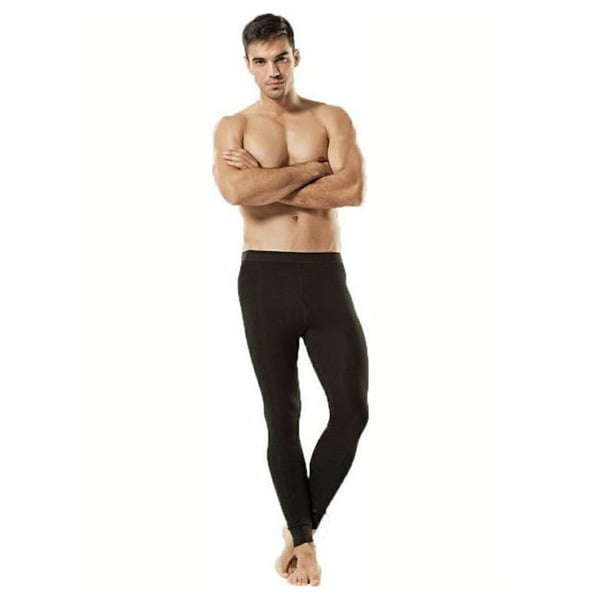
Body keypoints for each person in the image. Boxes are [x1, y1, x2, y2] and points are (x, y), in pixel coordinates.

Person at [212, 13, 369, 587]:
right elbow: (236, 190)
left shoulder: (332, 117)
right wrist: (314, 170)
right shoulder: (233, 127)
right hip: (265, 278)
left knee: (352, 412)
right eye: (260, 61)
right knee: (283, 415)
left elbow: (352, 189)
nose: (272, 70)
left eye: (280, 57)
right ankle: (303, 542)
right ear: (247, 65)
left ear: (296, 57)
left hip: (325, 276)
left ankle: (300, 528)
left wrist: (272, 180)